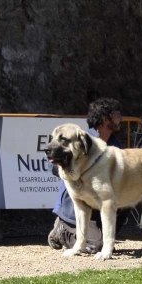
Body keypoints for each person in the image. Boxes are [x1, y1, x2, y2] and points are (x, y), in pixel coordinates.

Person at [48, 97, 131, 253]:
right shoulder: (79, 138)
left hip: (99, 203)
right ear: (105, 118)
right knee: (92, 247)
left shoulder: (115, 144)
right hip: (76, 206)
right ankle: (61, 229)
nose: (121, 119)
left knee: (130, 198)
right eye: (117, 115)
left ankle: (101, 237)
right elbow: (52, 167)